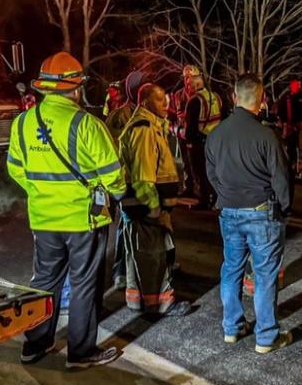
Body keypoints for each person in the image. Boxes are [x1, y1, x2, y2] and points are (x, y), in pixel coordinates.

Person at [7, 51, 126, 370]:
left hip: (43, 219)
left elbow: (15, 170)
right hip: (83, 220)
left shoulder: (22, 123)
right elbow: (113, 175)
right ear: (74, 88)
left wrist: (41, 193)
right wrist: (117, 194)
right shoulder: (87, 124)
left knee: (44, 280)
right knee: (85, 282)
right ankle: (81, 351)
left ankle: (35, 344)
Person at [205, 74, 293, 354]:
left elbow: (211, 174)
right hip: (261, 211)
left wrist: (225, 196)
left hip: (229, 211)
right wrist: (285, 206)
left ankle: (232, 327)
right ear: (262, 99)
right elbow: (281, 177)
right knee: (265, 274)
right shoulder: (267, 135)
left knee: (231, 268)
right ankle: (266, 336)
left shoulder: (216, 134)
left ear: (234, 98)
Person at [118, 83, 192, 317]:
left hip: (140, 205)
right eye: (160, 100)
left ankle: (137, 300)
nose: (166, 104)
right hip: (146, 205)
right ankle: (159, 304)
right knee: (154, 255)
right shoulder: (144, 128)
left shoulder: (151, 126)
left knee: (138, 253)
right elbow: (143, 175)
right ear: (145, 102)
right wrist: (153, 207)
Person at [105, 80, 136, 291]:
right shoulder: (120, 116)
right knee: (125, 226)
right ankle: (120, 272)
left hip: (133, 177)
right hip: (123, 177)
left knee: (132, 226)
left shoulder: (138, 113)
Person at [180, 65, 222, 209]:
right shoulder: (215, 96)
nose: (187, 85)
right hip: (215, 141)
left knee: (201, 173)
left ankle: (204, 201)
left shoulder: (194, 101)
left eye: (188, 82)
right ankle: (215, 198)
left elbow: (190, 129)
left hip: (199, 142)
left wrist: (178, 131)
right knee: (213, 171)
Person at [275, 78, 302, 181]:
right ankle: (291, 170)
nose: (299, 87)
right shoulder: (286, 98)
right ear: (292, 86)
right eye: (297, 85)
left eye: (299, 85)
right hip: (289, 126)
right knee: (291, 149)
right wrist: (284, 123)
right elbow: (280, 111)